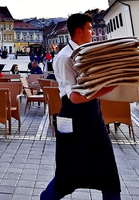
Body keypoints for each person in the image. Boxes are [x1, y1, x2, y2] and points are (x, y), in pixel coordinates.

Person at [41, 13, 121, 200]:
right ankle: (46, 198)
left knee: (108, 171)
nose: (93, 32)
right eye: (90, 28)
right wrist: (106, 89)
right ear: (79, 31)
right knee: (67, 174)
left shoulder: (88, 53)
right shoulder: (65, 57)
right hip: (74, 119)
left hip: (93, 117)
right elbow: (75, 97)